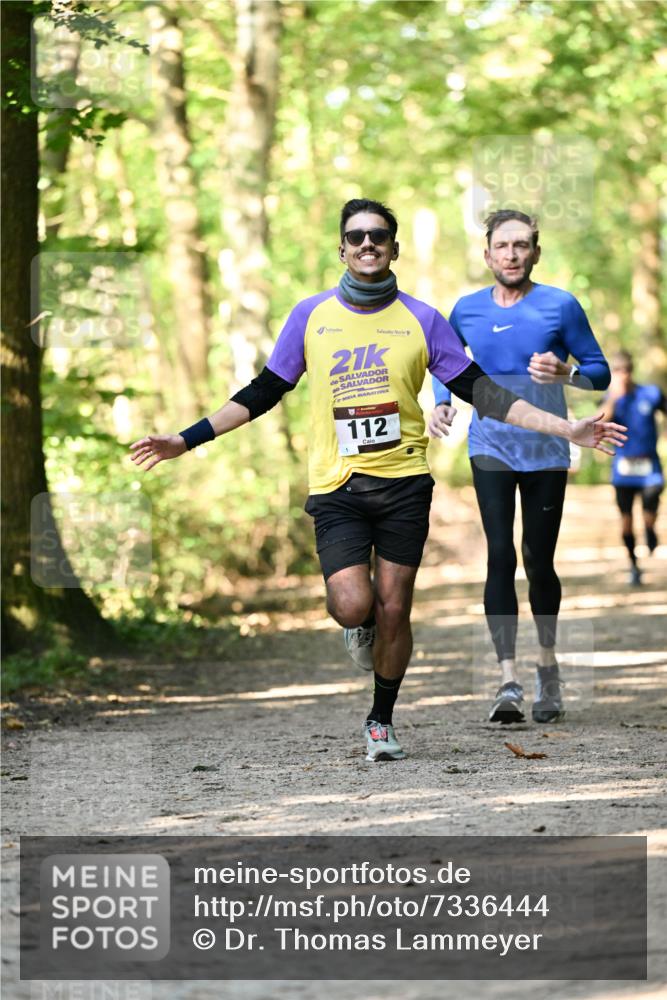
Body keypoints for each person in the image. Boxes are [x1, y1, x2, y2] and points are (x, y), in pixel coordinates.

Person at [131, 199, 625, 762]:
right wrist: (185, 439)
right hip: (337, 484)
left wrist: (567, 428)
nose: (367, 243)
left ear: (393, 249)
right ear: (342, 249)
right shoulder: (311, 316)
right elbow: (265, 390)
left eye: (378, 236)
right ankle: (358, 624)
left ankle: (380, 720)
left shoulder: (423, 319)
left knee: (396, 609)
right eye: (356, 236)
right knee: (352, 604)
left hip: (404, 483)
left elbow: (485, 393)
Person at [430, 209, 612, 726]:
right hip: (490, 443)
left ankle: (547, 667)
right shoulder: (466, 309)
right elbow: (447, 363)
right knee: (499, 554)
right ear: (487, 254)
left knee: (538, 558)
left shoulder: (561, 305)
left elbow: (598, 374)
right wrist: (442, 400)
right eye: (502, 246)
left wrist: (567, 373)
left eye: (521, 245)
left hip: (547, 448)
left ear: (535, 252)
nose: (511, 254)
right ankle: (507, 680)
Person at [598, 349, 665, 585]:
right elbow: (598, 423)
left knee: (649, 511)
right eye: (617, 371)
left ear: (632, 371)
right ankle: (634, 566)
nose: (623, 375)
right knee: (626, 522)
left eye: (626, 370)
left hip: (649, 467)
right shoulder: (610, 398)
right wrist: (613, 398)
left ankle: (650, 529)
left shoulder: (651, 393)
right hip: (623, 469)